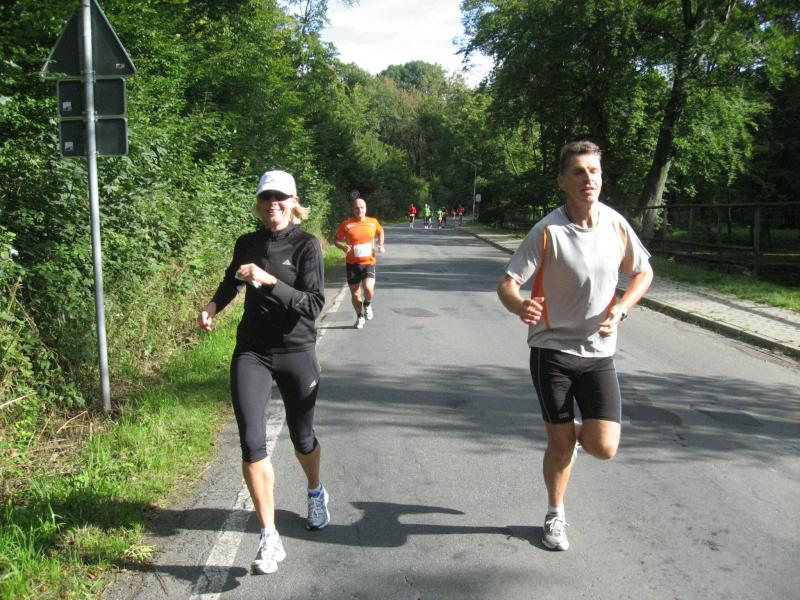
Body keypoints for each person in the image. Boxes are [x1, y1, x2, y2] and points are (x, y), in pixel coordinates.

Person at [497, 141, 653, 551]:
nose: (589, 179)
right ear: (562, 182)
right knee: (561, 445)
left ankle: (567, 436)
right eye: (579, 172)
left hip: (599, 353)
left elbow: (643, 272)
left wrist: (622, 307)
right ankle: (555, 514)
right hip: (552, 352)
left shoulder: (616, 224)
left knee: (604, 446)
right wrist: (520, 305)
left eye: (594, 171)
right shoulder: (547, 231)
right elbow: (508, 283)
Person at [198, 170, 330, 575]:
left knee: (302, 438)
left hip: (296, 351)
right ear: (258, 203)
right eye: (266, 197)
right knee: (252, 442)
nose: (273, 203)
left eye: (280, 197)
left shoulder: (307, 245)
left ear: (294, 203)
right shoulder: (247, 243)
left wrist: (269, 280)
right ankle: (269, 535)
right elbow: (231, 282)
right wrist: (212, 307)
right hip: (252, 351)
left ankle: (315, 491)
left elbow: (313, 303)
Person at [335, 195, 385, 329]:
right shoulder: (347, 224)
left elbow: (381, 231)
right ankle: (359, 316)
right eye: (357, 208)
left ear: (366, 208)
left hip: (368, 262)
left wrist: (380, 245)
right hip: (352, 264)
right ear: (353, 209)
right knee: (356, 294)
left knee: (368, 289)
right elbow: (337, 240)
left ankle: (367, 304)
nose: (360, 210)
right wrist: (343, 246)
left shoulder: (372, 222)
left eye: (362, 207)